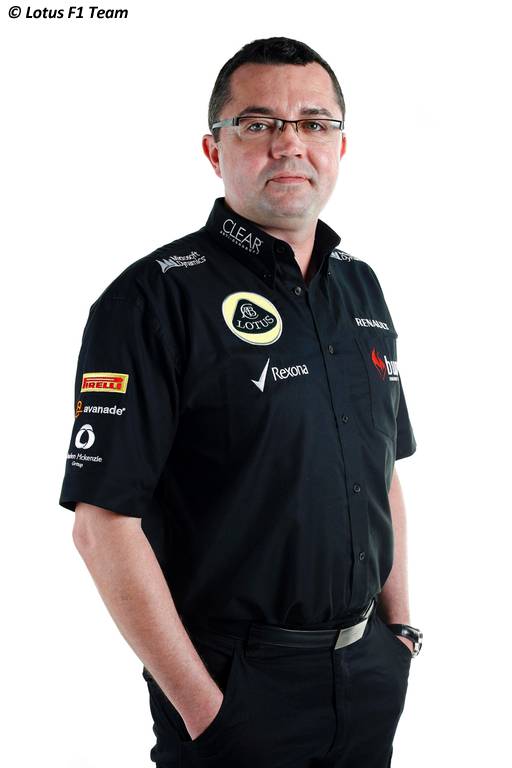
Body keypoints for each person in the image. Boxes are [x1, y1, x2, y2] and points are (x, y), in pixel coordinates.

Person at [59, 36, 423, 768]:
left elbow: (383, 469)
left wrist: (400, 633)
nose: (290, 144)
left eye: (314, 123)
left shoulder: (362, 287)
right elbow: (102, 526)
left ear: (340, 146)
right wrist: (206, 711)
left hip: (369, 677)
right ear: (213, 148)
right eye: (258, 124)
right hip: (234, 689)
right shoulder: (153, 299)